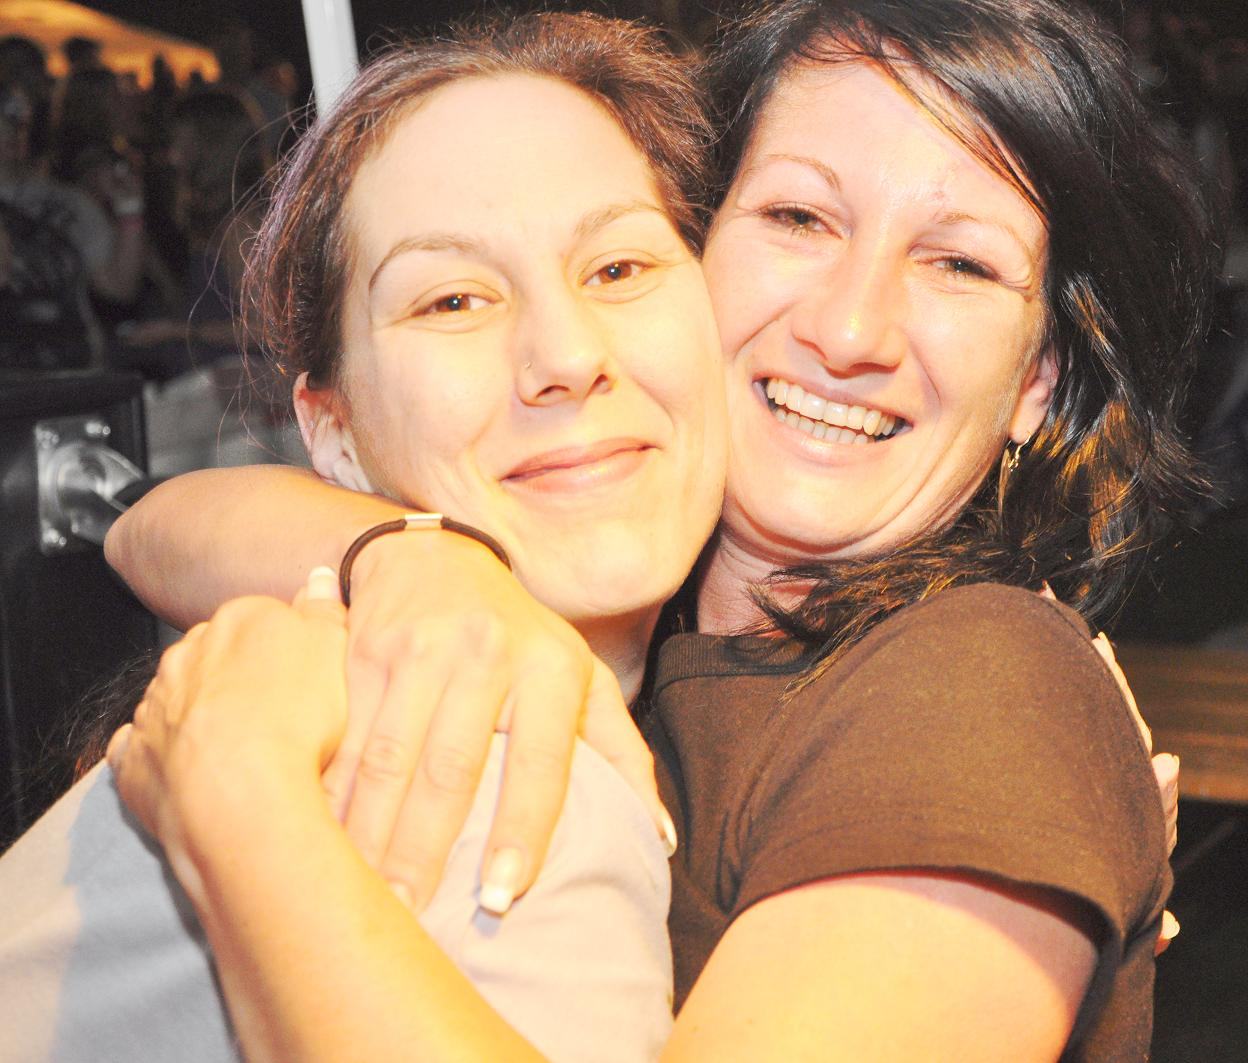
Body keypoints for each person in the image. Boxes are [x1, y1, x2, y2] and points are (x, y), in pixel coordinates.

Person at [108, 0, 1210, 1057]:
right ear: (702, 245)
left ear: (1036, 381)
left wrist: (241, 808)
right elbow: (150, 528)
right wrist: (411, 560)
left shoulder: (973, 687)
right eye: (798, 218)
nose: (849, 328)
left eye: (960, 263)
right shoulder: (609, 616)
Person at [0, 14, 725, 1061]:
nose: (568, 355)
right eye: (453, 299)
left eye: (617, 268)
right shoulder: (491, 791)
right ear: (332, 434)